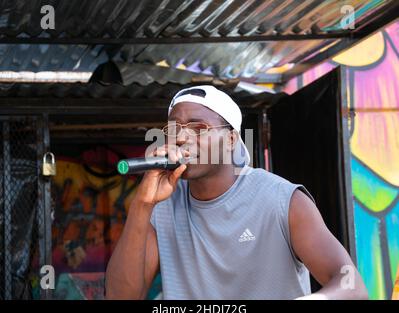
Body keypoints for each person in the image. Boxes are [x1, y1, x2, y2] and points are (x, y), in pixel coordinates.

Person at [106, 85, 368, 300]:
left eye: (199, 128)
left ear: (231, 140)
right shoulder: (162, 207)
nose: (182, 137)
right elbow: (120, 297)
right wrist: (142, 204)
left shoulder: (281, 200)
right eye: (174, 129)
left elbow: (352, 286)